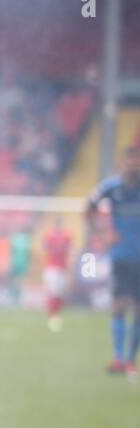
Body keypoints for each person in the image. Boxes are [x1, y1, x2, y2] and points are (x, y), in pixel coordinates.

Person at [86, 144, 140, 376]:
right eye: (131, 160)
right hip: (120, 256)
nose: (134, 164)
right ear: (123, 162)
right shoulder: (111, 188)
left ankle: (130, 359)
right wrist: (103, 235)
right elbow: (88, 209)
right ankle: (118, 358)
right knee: (118, 306)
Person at [41, 217, 74, 332]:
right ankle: (52, 316)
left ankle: (57, 315)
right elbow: (44, 248)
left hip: (63, 268)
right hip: (52, 268)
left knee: (60, 293)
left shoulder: (67, 236)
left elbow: (71, 250)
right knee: (53, 292)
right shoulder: (50, 236)